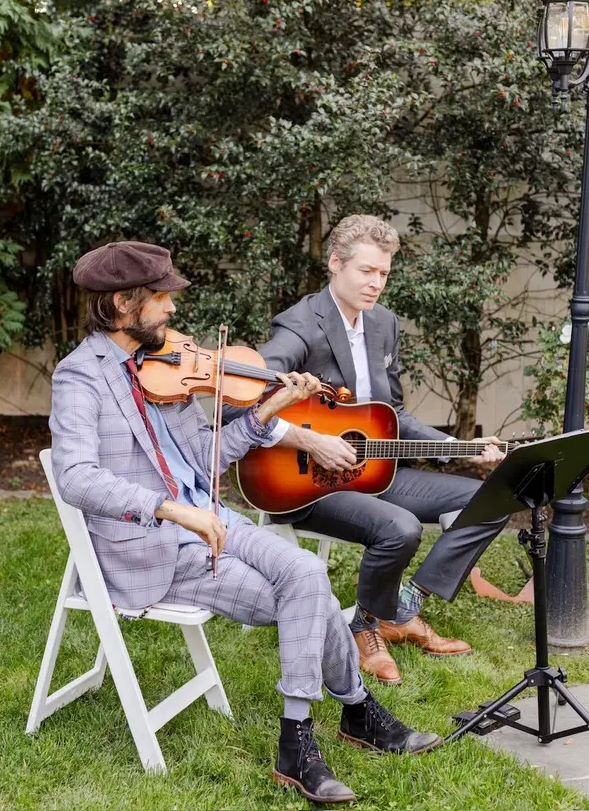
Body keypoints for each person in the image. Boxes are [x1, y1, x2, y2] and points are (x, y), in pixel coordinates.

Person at [49, 240, 441, 806]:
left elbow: (207, 454)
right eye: (160, 297)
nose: (172, 308)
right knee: (307, 593)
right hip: (154, 545)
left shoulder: (164, 366)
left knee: (306, 575)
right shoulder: (79, 377)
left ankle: (306, 736)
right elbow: (76, 477)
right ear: (122, 303)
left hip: (212, 520)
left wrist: (264, 413)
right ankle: (350, 715)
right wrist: (170, 507)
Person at [228, 214, 507, 686]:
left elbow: (392, 413)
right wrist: (311, 440)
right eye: (366, 271)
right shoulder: (301, 325)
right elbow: (240, 403)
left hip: (373, 470)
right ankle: (366, 628)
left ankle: (403, 607)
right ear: (336, 263)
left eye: (384, 273)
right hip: (307, 483)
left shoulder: (382, 324)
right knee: (400, 528)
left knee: (491, 498)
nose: (376, 283)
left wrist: (460, 447)